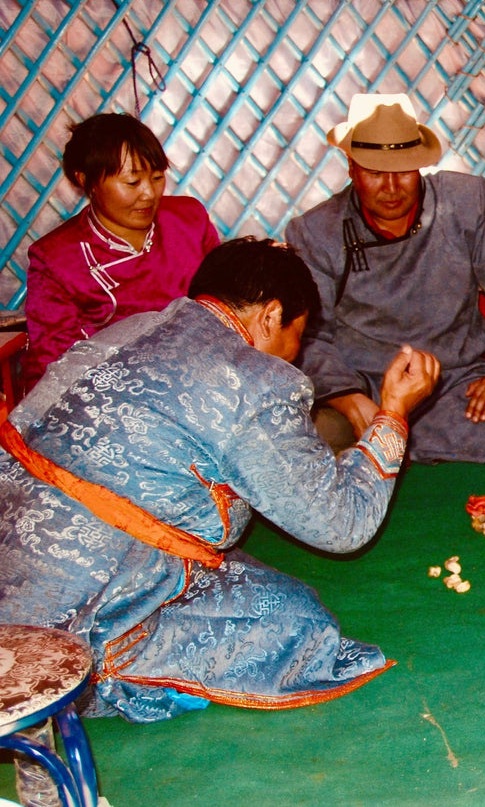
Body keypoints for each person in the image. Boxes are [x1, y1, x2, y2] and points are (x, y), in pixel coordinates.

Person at [0, 238, 440, 723]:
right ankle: (98, 676)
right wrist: (393, 412)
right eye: (299, 334)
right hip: (67, 618)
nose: (295, 354)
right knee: (300, 625)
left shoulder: (131, 329)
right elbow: (342, 524)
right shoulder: (253, 379)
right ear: (272, 316)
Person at [285, 93, 485, 464]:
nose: (391, 187)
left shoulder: (465, 203)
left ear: (421, 166)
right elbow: (308, 334)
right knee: (300, 440)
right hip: (365, 390)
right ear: (351, 167)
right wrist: (345, 396)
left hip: (456, 386)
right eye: (375, 172)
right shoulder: (317, 231)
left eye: (404, 171)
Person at [23, 113, 221, 390]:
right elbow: (54, 363)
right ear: (87, 181)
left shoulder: (189, 219)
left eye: (157, 178)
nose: (149, 194)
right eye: (132, 183)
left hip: (204, 372)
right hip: (114, 390)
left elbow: (226, 301)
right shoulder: (56, 258)